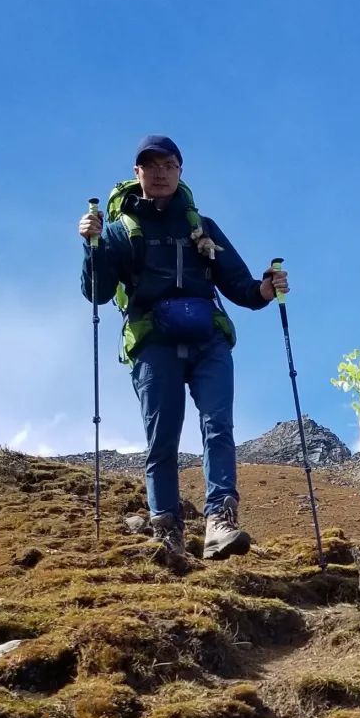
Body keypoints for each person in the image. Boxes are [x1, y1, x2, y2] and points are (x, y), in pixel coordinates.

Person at [79, 136, 288, 560]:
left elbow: (239, 286)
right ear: (137, 173)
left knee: (218, 425)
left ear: (180, 171)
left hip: (208, 338)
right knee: (163, 438)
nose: (160, 172)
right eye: (151, 165)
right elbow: (99, 293)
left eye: (169, 165)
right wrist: (92, 246)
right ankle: (166, 531)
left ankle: (219, 520)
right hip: (152, 341)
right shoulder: (120, 231)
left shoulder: (201, 227)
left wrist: (266, 290)